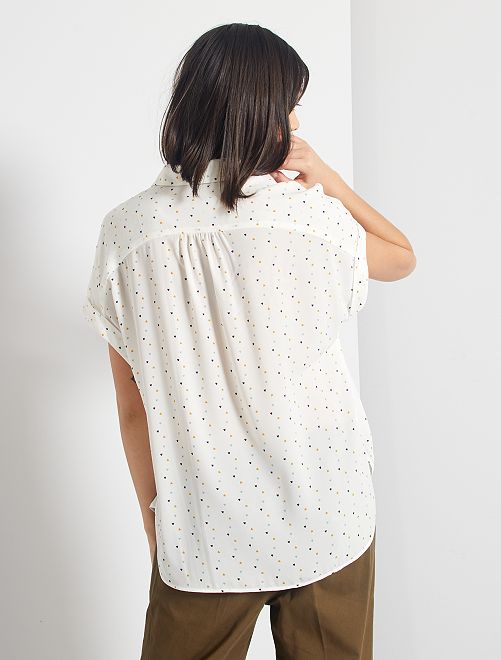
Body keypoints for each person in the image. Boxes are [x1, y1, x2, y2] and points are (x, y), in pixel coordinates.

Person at [83, 22, 416, 660]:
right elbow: (401, 256)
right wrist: (326, 176)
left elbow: (133, 408)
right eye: (290, 107)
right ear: (262, 113)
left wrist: (156, 520)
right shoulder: (311, 220)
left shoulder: (126, 234)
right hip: (328, 509)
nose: (296, 123)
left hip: (206, 530)